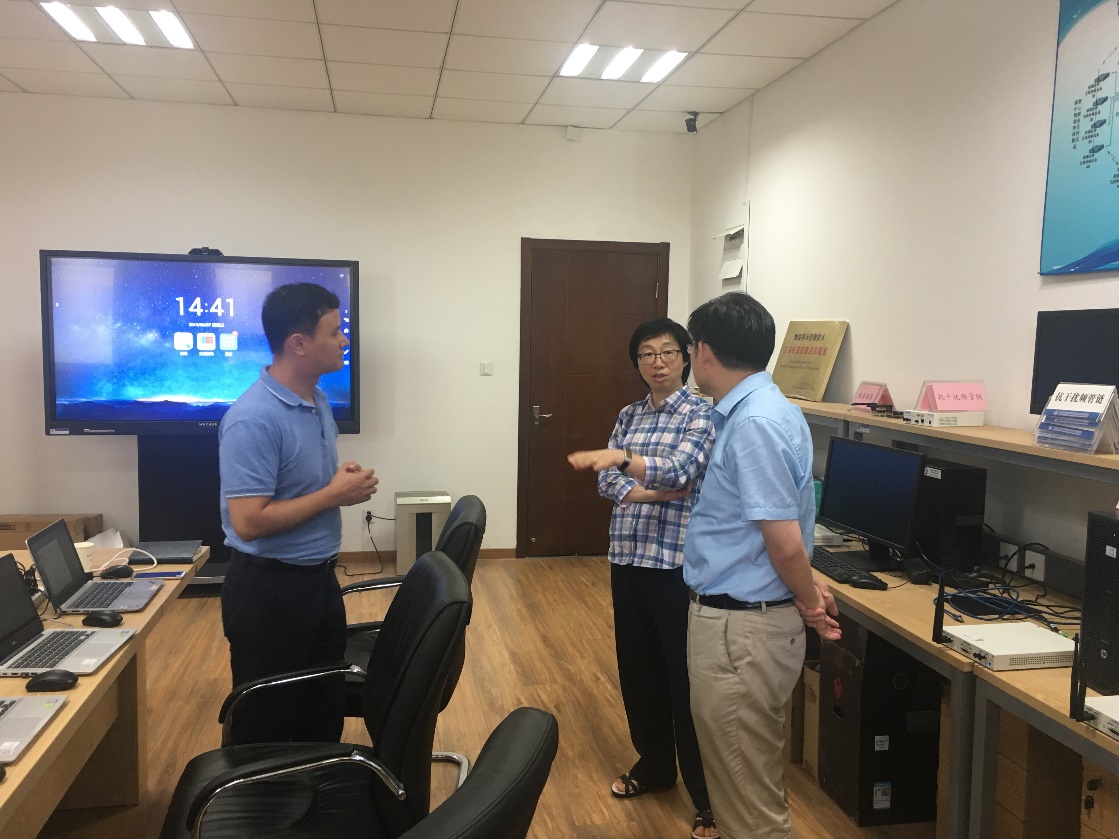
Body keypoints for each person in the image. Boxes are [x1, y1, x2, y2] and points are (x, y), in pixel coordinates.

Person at [682, 292, 840, 839]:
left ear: (704, 351)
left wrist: (811, 602)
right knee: (742, 782)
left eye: (689, 349)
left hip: (739, 631)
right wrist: (810, 587)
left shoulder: (753, 423)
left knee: (748, 799)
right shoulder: (771, 409)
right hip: (744, 624)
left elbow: (785, 545)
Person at [568, 317, 719, 839]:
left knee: (684, 680)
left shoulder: (701, 414)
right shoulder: (629, 414)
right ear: (637, 362)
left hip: (676, 566)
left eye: (667, 352)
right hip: (628, 557)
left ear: (686, 357)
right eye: (647, 354)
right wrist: (644, 489)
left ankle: (706, 797)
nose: (658, 362)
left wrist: (624, 462)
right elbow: (608, 482)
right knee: (637, 672)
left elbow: (682, 471)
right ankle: (655, 765)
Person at [218, 282, 378, 745]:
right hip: (270, 595)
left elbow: (305, 487)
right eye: (335, 332)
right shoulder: (253, 419)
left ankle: (316, 790)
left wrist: (336, 482)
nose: (344, 341)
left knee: (321, 715)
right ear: (299, 344)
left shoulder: (317, 400)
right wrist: (333, 495)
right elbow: (249, 522)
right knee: (268, 727)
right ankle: (265, 794)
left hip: (318, 582)